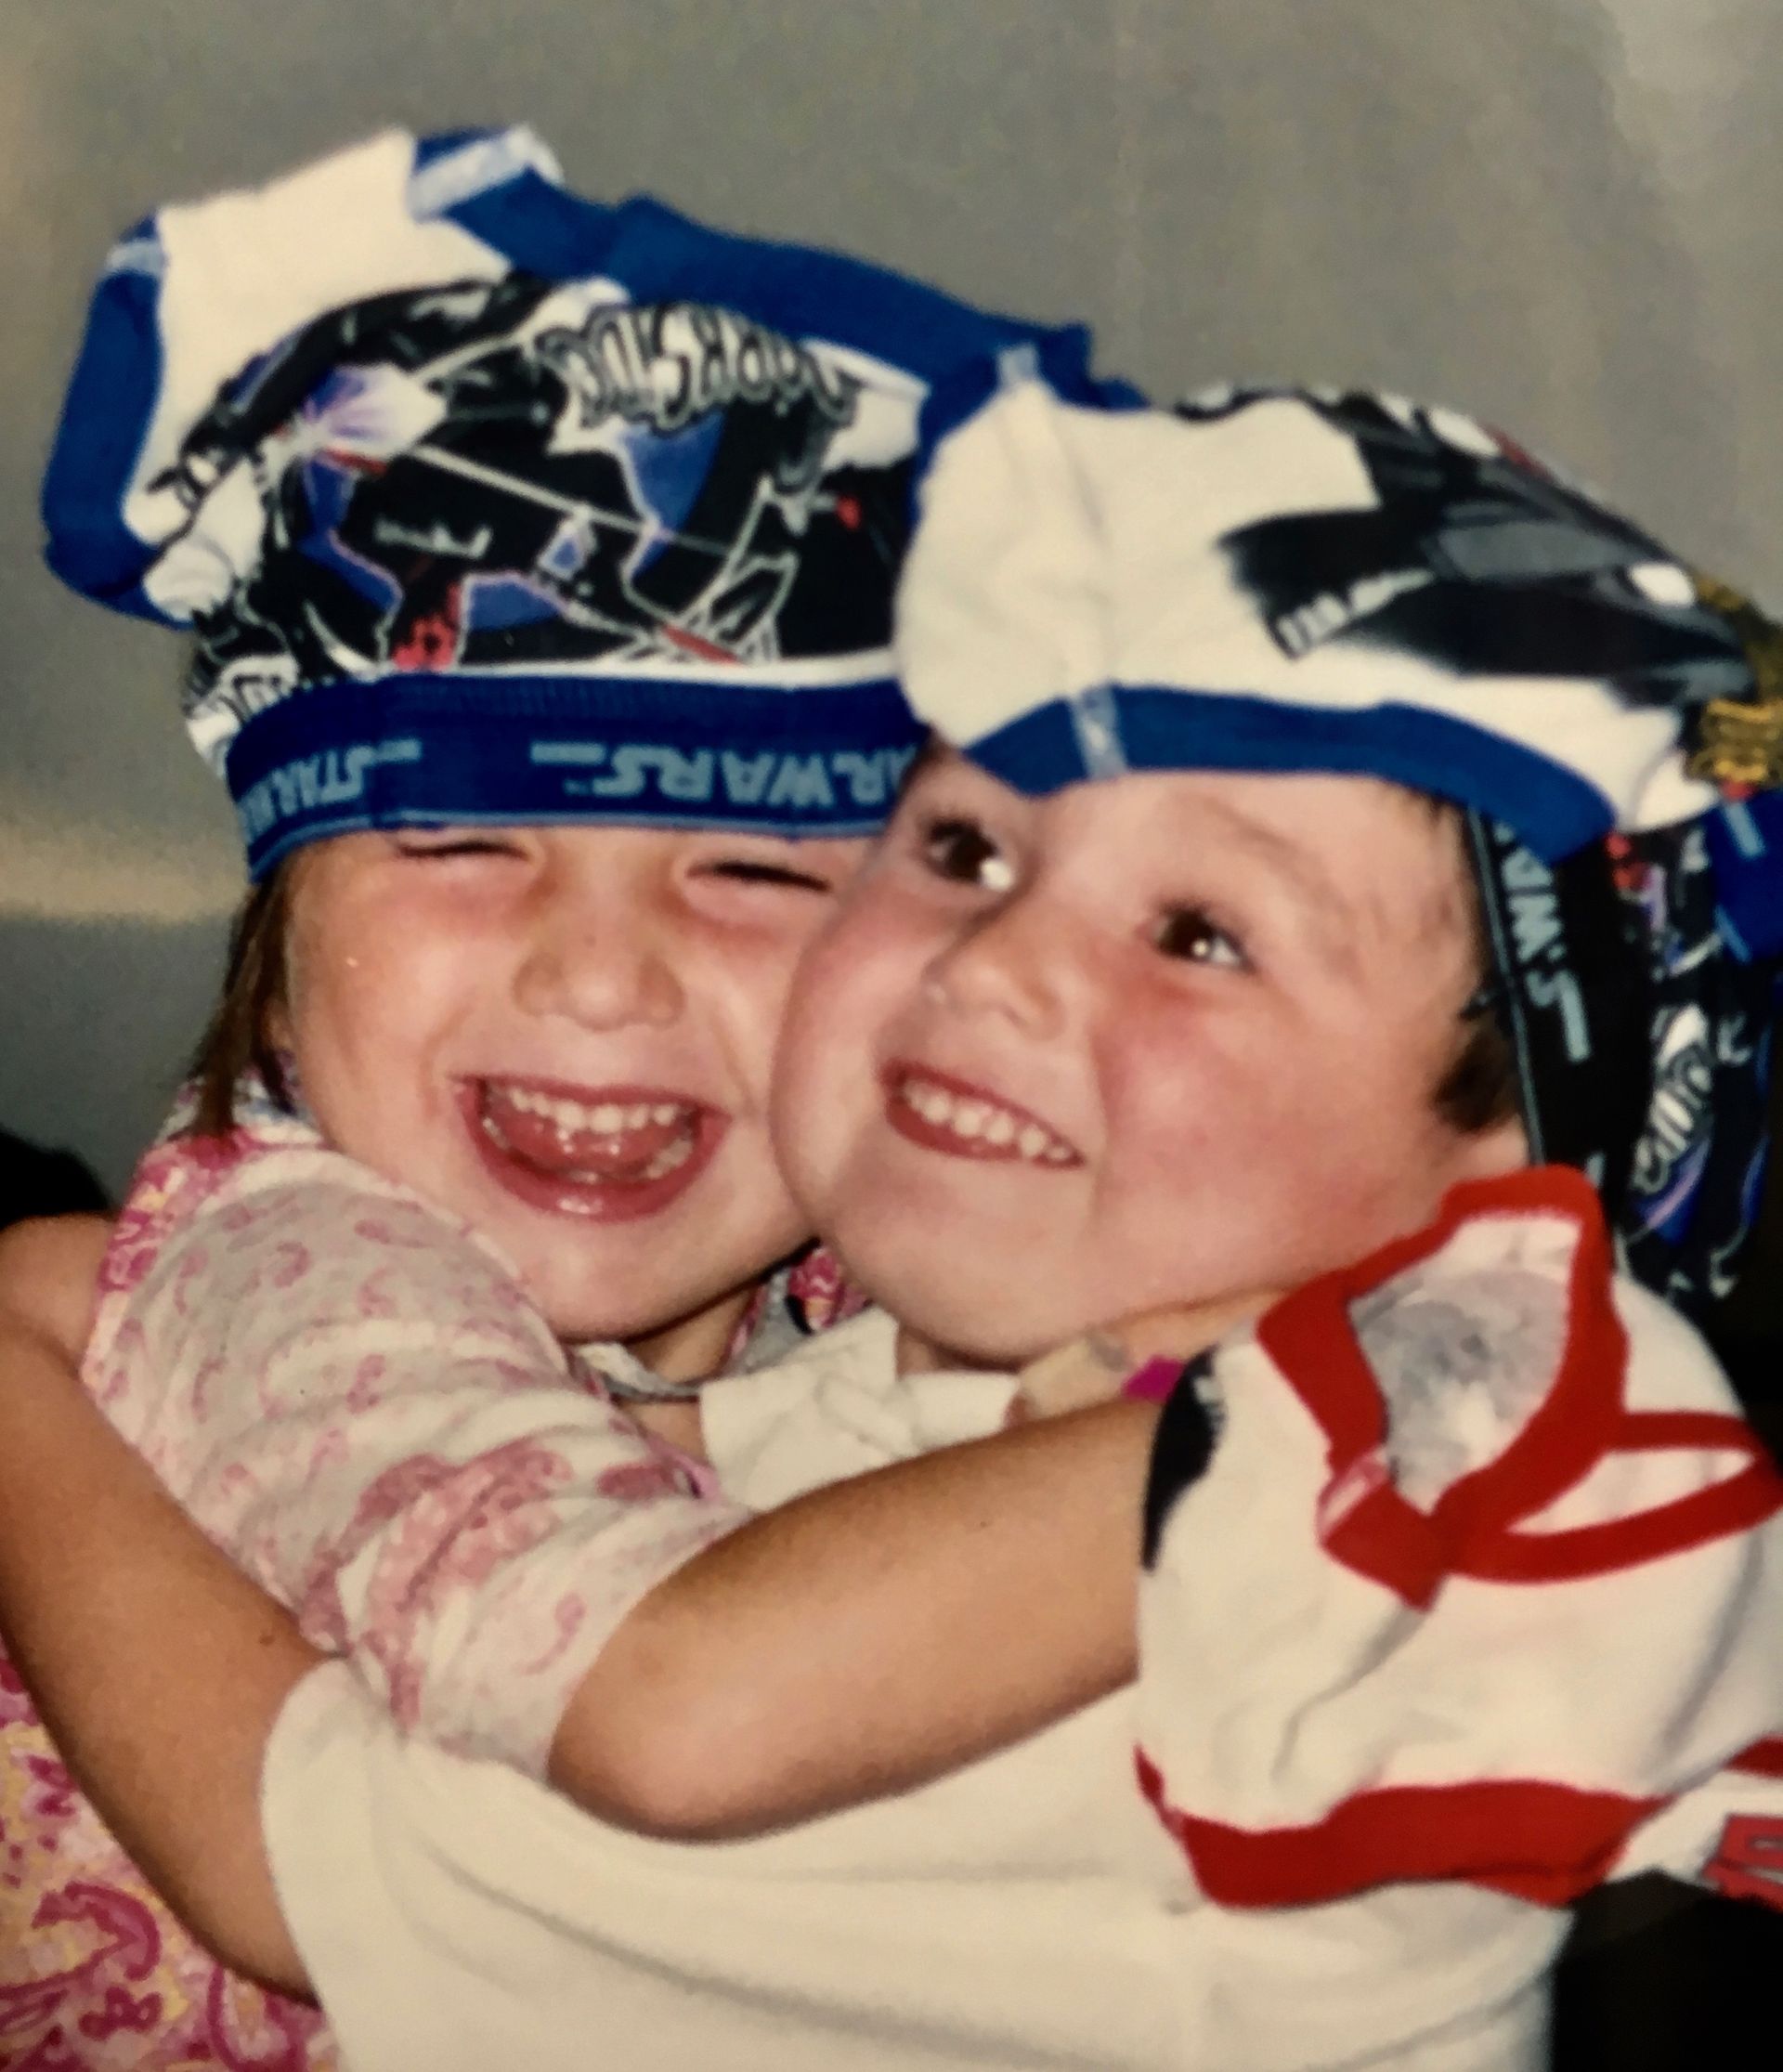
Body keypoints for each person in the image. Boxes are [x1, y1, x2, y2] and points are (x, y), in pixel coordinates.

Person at [7, 374, 1783, 2070]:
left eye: (1198, 934)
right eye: (961, 852)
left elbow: (430, 1801)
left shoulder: (1501, 1383)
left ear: (1513, 1167)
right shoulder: (897, 1402)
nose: (995, 964)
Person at [0, 124, 1128, 2072]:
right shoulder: (293, 1276)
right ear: (283, 919)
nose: (601, 975)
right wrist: (1286, 1441)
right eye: (458, 840)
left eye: (752, 868)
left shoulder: (853, 1285)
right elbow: (623, 1717)